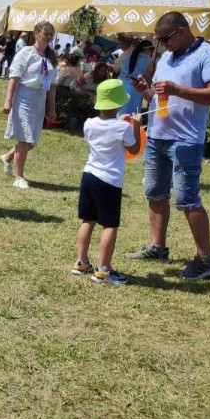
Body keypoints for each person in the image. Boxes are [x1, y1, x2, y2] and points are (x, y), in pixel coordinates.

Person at [125, 12, 210, 279]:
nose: (162, 45)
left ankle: (206, 259)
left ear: (182, 31)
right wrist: (145, 91)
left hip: (186, 140)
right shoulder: (167, 57)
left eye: (165, 39)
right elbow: (161, 100)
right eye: (158, 41)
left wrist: (177, 89)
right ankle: (158, 246)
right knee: (155, 193)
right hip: (158, 135)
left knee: (187, 199)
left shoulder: (209, 55)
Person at [72, 79, 142, 285]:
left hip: (89, 176)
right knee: (110, 225)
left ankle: (81, 262)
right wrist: (136, 126)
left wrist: (123, 121)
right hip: (109, 181)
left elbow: (106, 131)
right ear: (119, 104)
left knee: (88, 220)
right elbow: (135, 149)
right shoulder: (122, 128)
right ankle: (103, 271)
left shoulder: (89, 123)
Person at [0, 21, 57, 189]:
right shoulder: (26, 53)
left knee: (31, 140)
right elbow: (14, 77)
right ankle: (19, 177)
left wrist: (52, 108)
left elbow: (52, 85)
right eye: (46, 33)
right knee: (24, 138)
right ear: (36, 33)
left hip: (40, 99)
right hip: (24, 96)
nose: (48, 37)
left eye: (50, 35)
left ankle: (8, 157)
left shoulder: (51, 57)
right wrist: (8, 101)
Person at [115, 34, 153, 117]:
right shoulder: (149, 61)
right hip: (135, 86)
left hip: (121, 83)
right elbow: (148, 81)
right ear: (149, 50)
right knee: (132, 115)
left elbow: (116, 69)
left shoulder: (126, 55)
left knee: (119, 111)